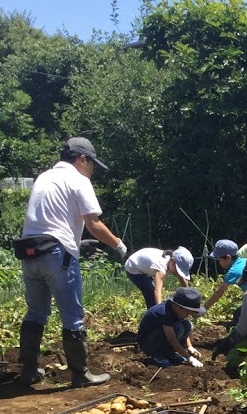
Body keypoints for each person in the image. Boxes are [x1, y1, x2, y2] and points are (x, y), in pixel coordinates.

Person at [14, 136, 126, 387]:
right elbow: (94, 224)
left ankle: (29, 371)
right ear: (82, 159)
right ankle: (80, 374)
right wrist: (118, 244)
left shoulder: (44, 177)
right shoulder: (78, 179)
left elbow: (49, 220)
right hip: (57, 254)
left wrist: (76, 244)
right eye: (92, 163)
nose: (93, 169)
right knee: (73, 316)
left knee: (35, 312)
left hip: (31, 252)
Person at [135, 287, 206, 368]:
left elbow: (183, 332)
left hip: (159, 337)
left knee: (187, 324)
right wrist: (189, 357)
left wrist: (189, 346)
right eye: (187, 312)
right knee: (178, 328)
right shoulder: (164, 313)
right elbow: (172, 339)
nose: (187, 315)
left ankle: (169, 354)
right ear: (178, 306)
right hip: (148, 343)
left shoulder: (175, 310)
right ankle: (158, 355)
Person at [123, 246, 194, 308]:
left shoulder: (171, 262)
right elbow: (157, 291)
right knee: (151, 294)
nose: (178, 273)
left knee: (152, 293)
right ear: (172, 260)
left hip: (144, 266)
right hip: (133, 267)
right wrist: (159, 310)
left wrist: (190, 300)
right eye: (178, 270)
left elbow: (183, 281)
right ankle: (153, 318)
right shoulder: (161, 267)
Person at [203, 239, 242, 313]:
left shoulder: (233, 272)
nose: (219, 263)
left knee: (238, 315)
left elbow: (219, 292)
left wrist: (204, 308)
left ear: (228, 258)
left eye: (219, 260)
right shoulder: (245, 261)